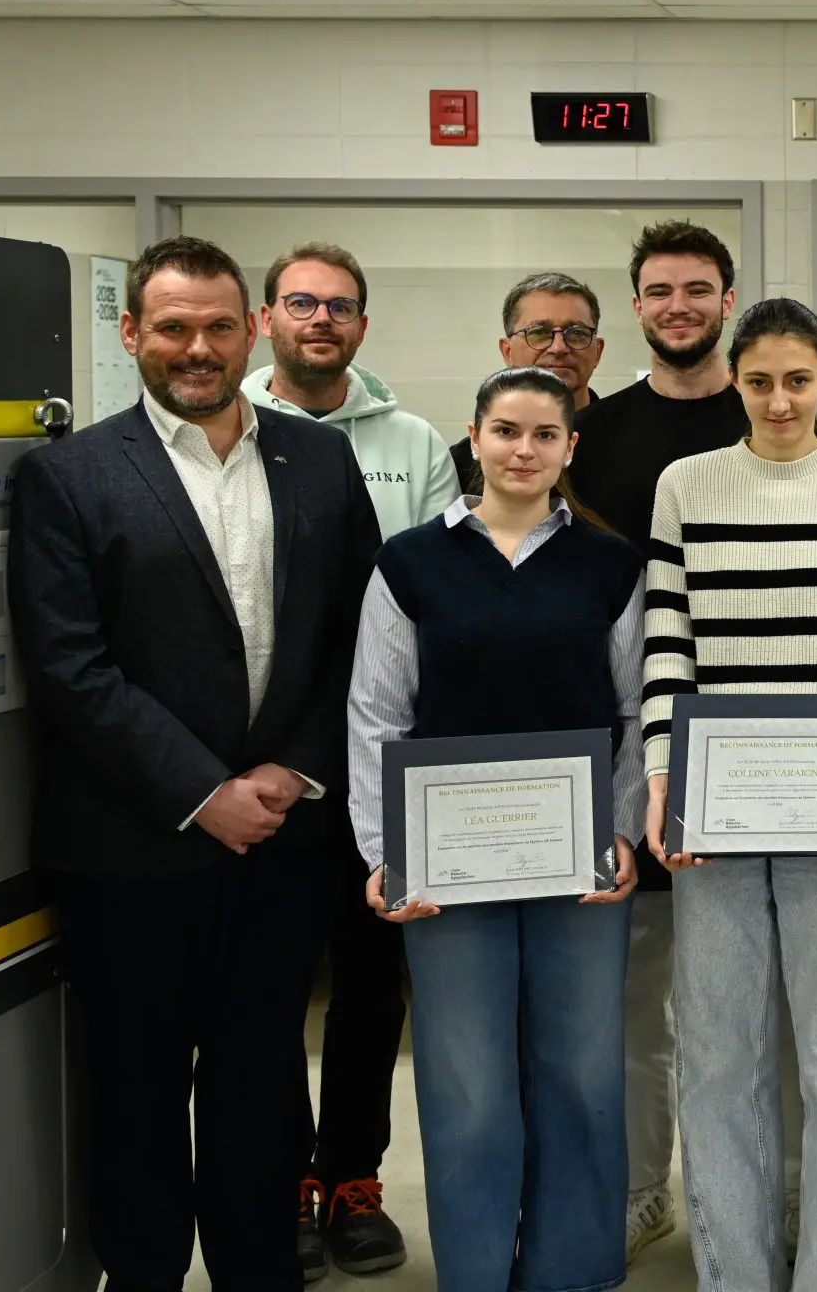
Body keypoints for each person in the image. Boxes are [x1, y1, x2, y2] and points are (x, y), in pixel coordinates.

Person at [9, 235, 381, 1290]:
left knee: (263, 1092)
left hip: (281, 840)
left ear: (251, 329)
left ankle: (261, 1272)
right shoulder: (68, 477)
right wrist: (200, 791)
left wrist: (292, 773)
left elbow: (358, 635)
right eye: (172, 327)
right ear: (131, 334)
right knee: (134, 1097)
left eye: (220, 325)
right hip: (129, 852)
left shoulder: (320, 459)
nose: (197, 348)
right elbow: (71, 669)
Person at [345, 366, 645, 1292]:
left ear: (569, 448)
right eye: (506, 431)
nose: (524, 451)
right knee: (468, 1085)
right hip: (447, 863)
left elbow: (635, 712)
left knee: (584, 1073)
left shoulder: (610, 563)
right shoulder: (411, 562)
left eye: (544, 435)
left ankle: (573, 1269)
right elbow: (376, 715)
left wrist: (625, 829)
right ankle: (475, 1271)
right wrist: (383, 853)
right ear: (472, 438)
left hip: (580, 859)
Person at [640, 298, 817, 1292]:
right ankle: (735, 1272)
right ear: (734, 384)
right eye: (759, 381)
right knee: (717, 1062)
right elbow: (667, 641)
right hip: (713, 805)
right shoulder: (686, 484)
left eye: (798, 380)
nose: (780, 399)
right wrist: (664, 774)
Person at [237, 239, 457, 1278]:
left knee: (374, 983)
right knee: (274, 984)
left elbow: (427, 596)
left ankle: (354, 1176)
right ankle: (284, 1177)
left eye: (340, 307)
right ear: (266, 320)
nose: (320, 320)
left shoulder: (411, 441)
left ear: (362, 327)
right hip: (259, 771)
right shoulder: (221, 424)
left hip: (378, 756)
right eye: (300, 303)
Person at [569, 219, 752, 1256]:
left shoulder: (773, 413)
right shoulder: (596, 432)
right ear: (635, 307)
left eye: (698, 288)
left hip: (762, 751)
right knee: (638, 1002)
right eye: (659, 291)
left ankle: (747, 1193)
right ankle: (646, 1187)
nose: (679, 306)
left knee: (744, 1011)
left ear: (726, 298)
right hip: (632, 752)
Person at [451, 271, 611, 491]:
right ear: (507, 351)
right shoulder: (464, 465)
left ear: (598, 351)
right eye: (539, 332)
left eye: (576, 333)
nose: (558, 347)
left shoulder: (633, 446)